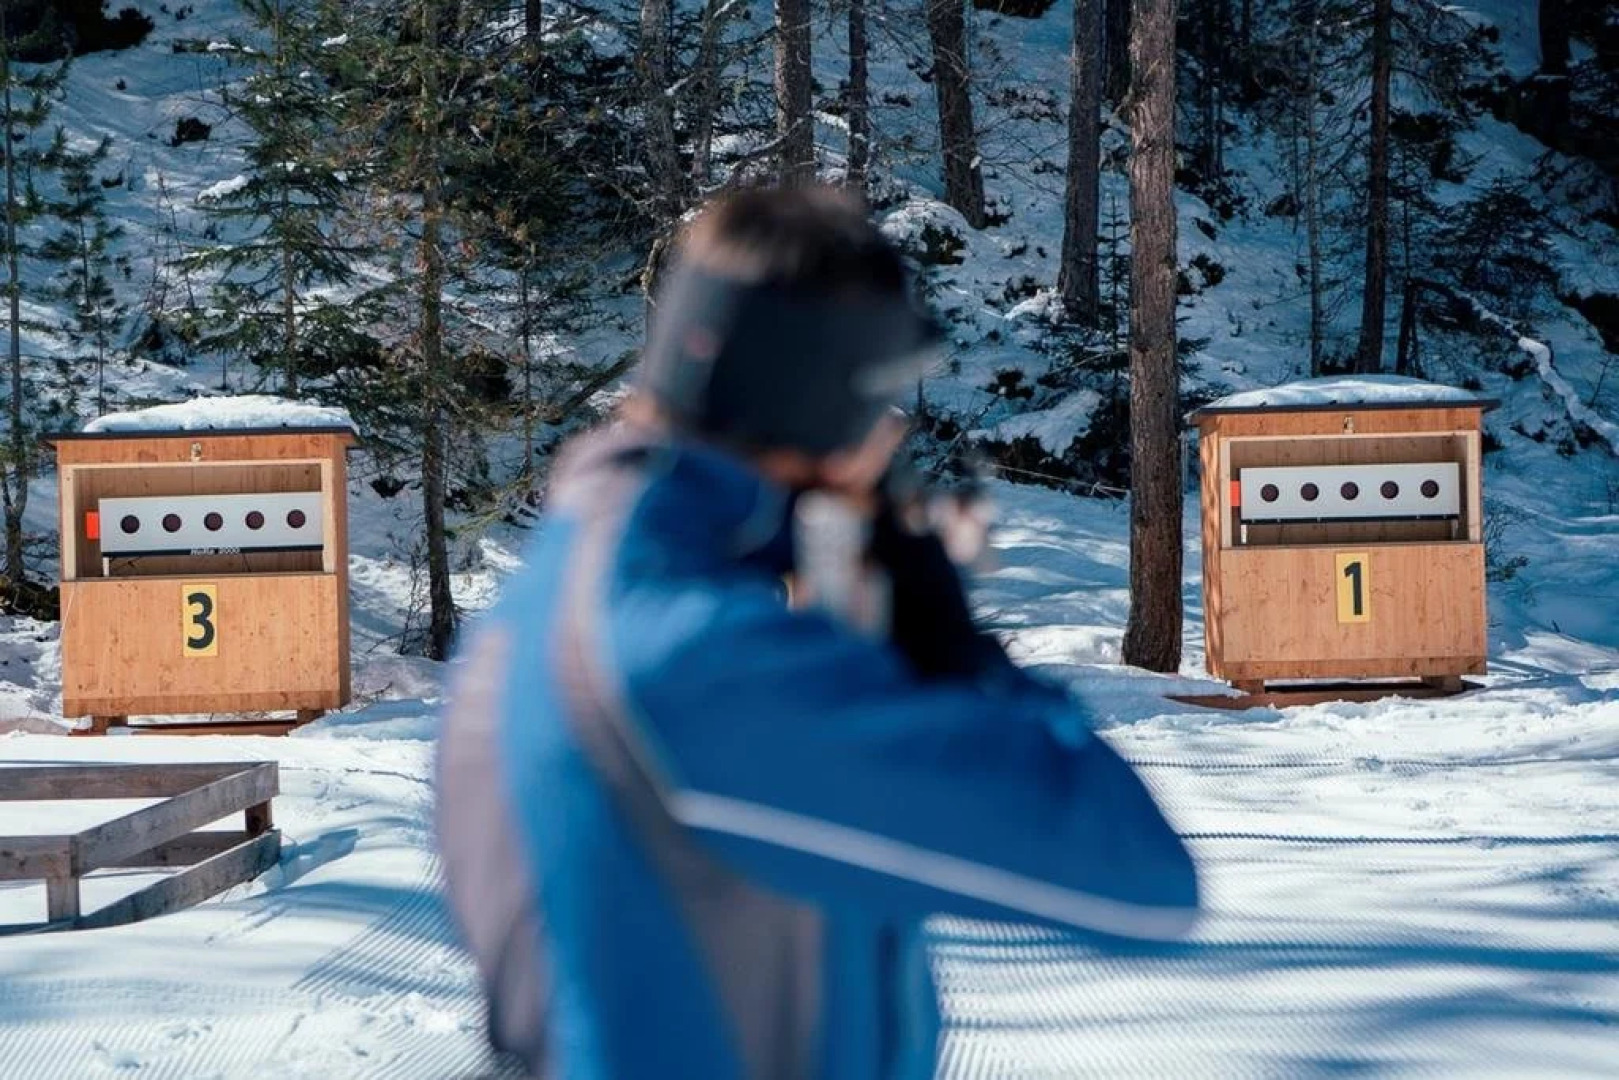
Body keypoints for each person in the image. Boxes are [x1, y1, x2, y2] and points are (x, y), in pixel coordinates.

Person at [436, 185, 1199, 1080]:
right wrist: (961, 662)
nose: (884, 440)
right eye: (875, 401)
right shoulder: (706, 661)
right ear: (822, 400)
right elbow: (1138, 879)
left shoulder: (557, 593)